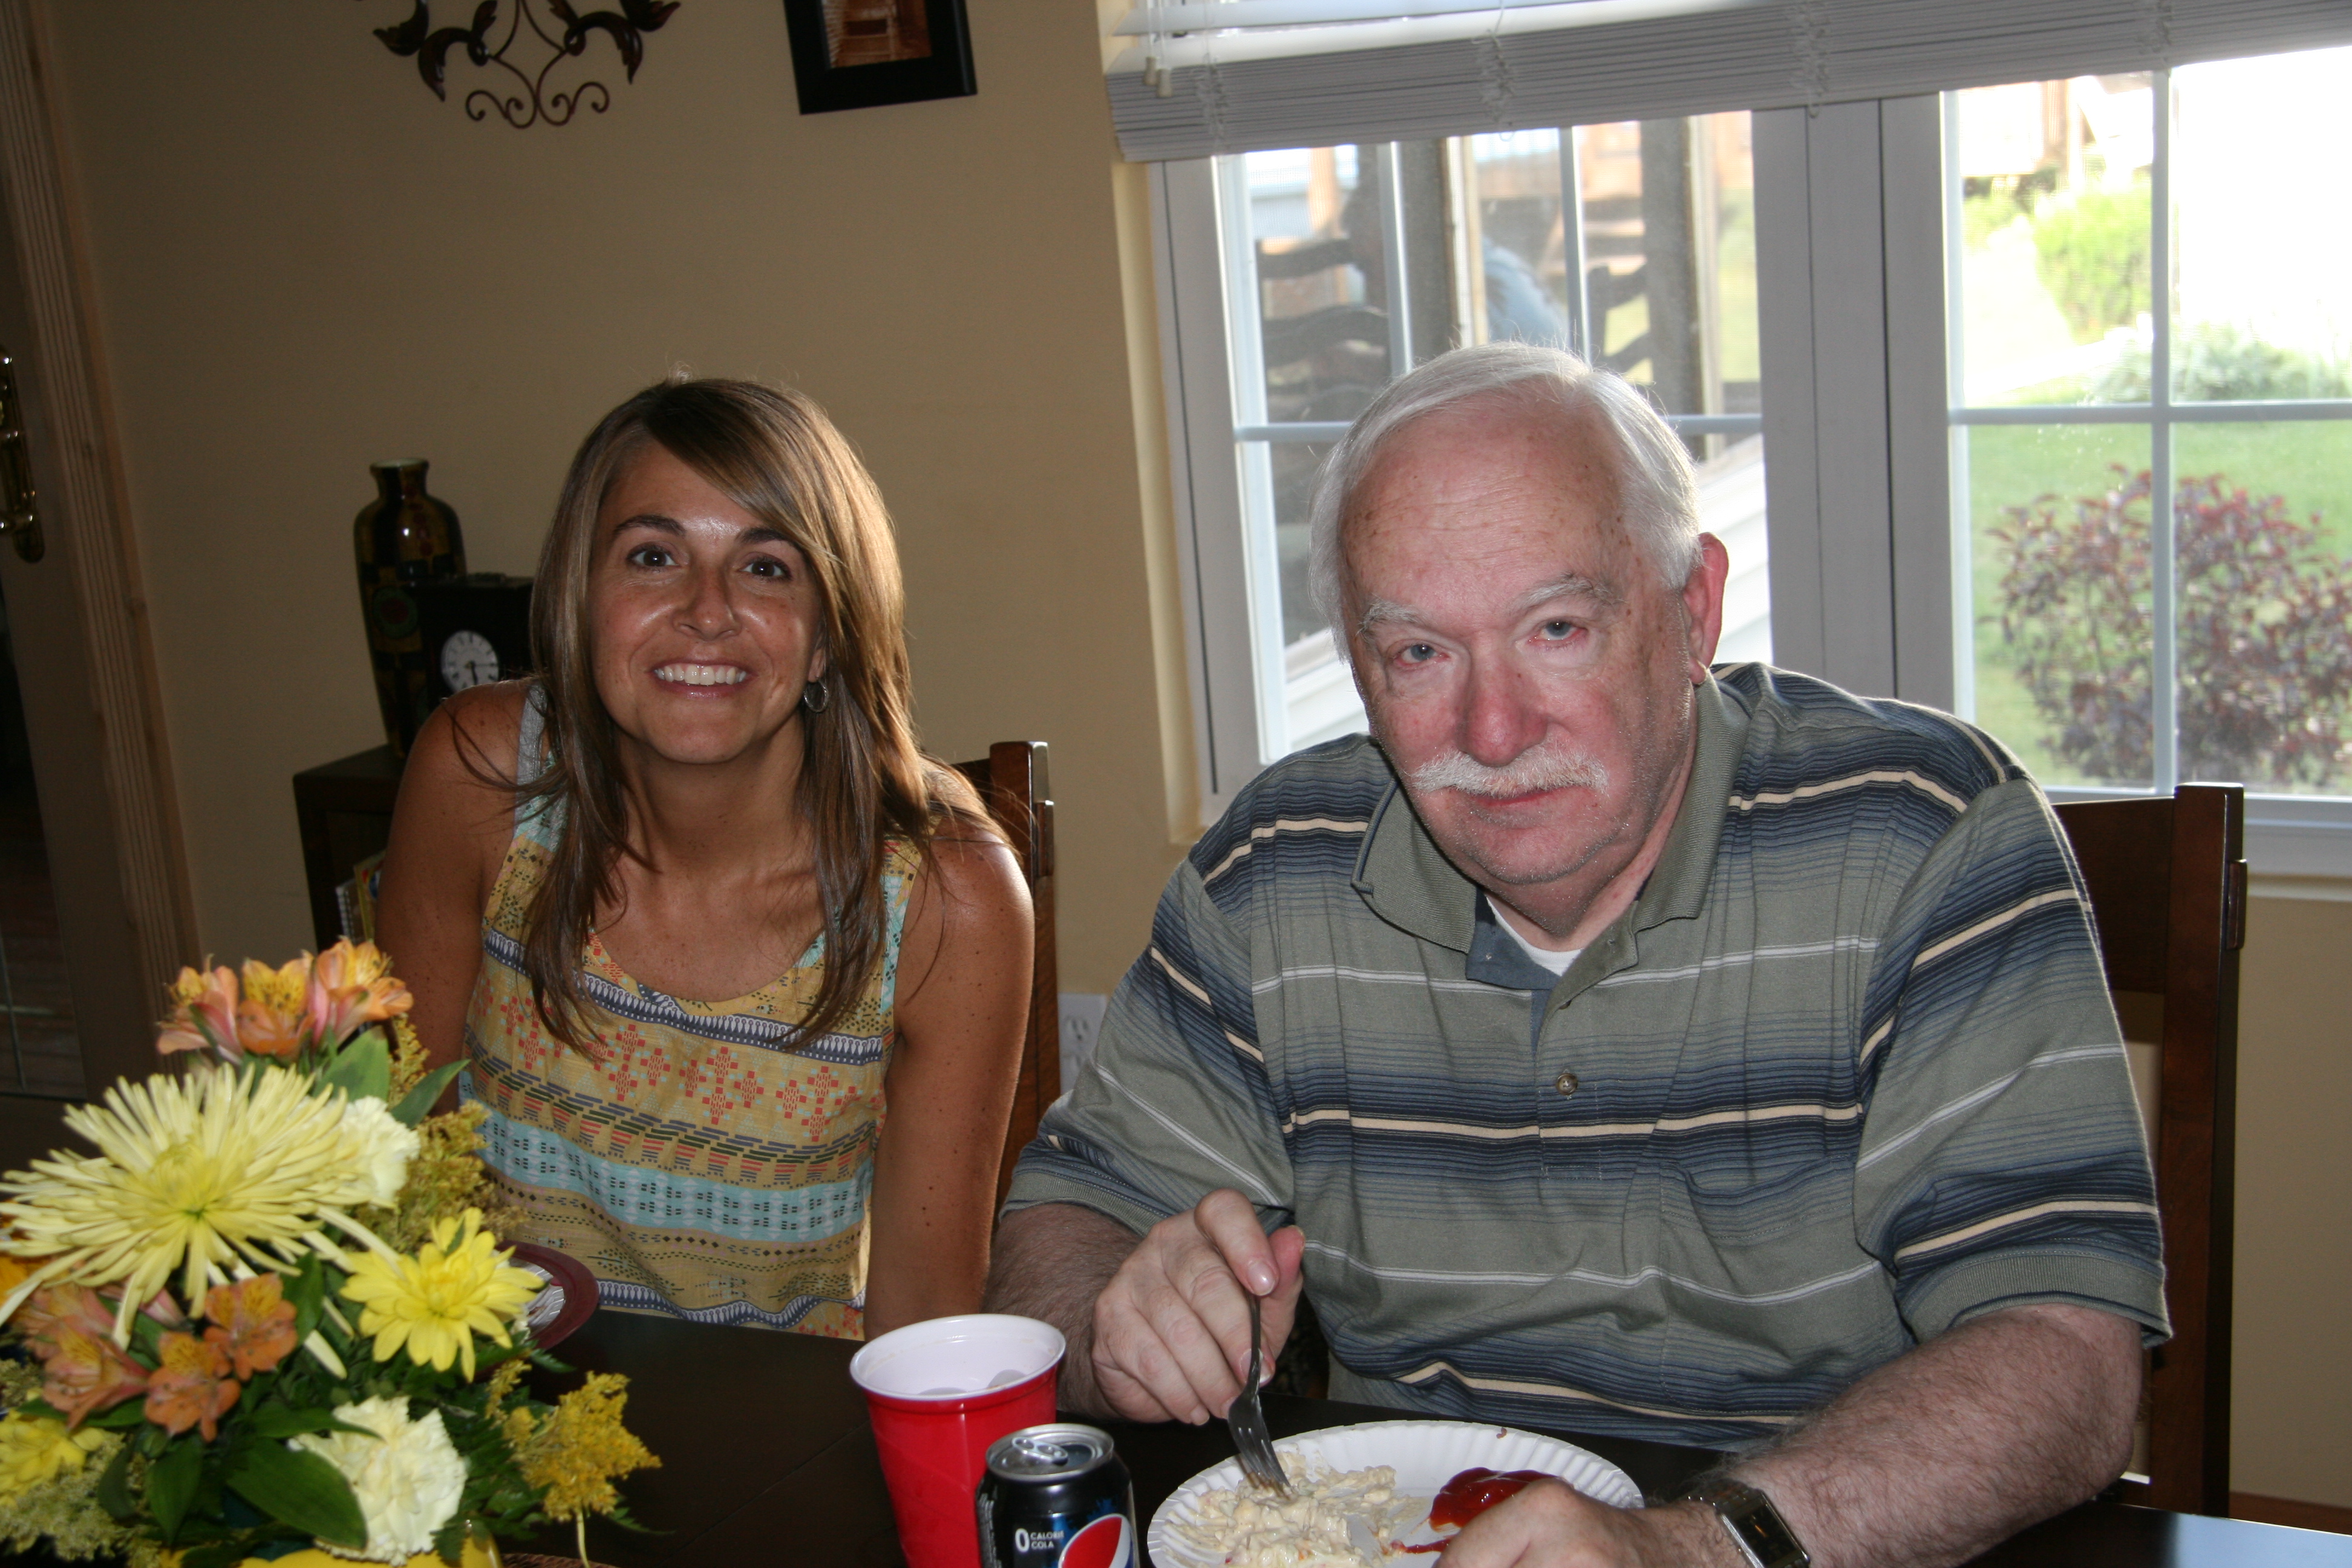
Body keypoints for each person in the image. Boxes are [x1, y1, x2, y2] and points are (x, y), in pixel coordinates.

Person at [986, 342, 2162, 1567]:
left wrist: (1699, 1549)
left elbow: (2068, 1355)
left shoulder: (1925, 835)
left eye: (1556, 628)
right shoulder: (1273, 873)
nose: (1493, 731)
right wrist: (1117, 1326)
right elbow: (1064, 1226)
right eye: (1420, 653)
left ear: (1693, 611)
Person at [378, 377, 1032, 1341]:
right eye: (654, 556)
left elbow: (924, 1328)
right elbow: (396, 1166)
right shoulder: (479, 781)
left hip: (788, 1420)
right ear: (580, 597)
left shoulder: (947, 897)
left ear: (829, 634)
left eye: (766, 568)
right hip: (499, 1396)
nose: (707, 610)